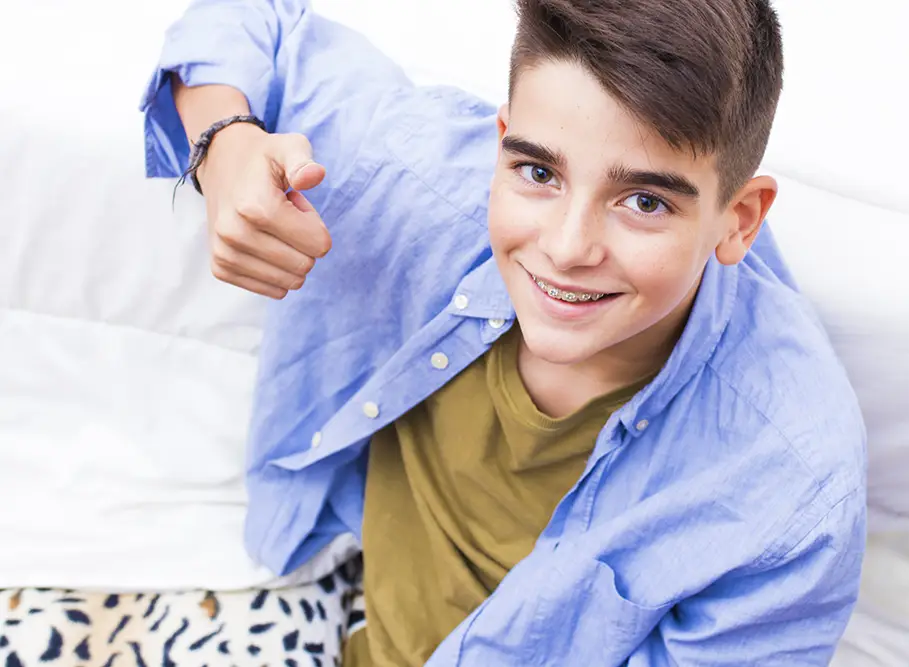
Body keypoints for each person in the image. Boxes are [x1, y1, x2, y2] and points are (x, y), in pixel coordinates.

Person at [142, 0, 867, 664]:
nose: (567, 246)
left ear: (739, 219)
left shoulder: (792, 488)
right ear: (500, 145)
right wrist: (223, 144)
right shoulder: (424, 169)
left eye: (644, 200)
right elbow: (249, 21)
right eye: (538, 172)